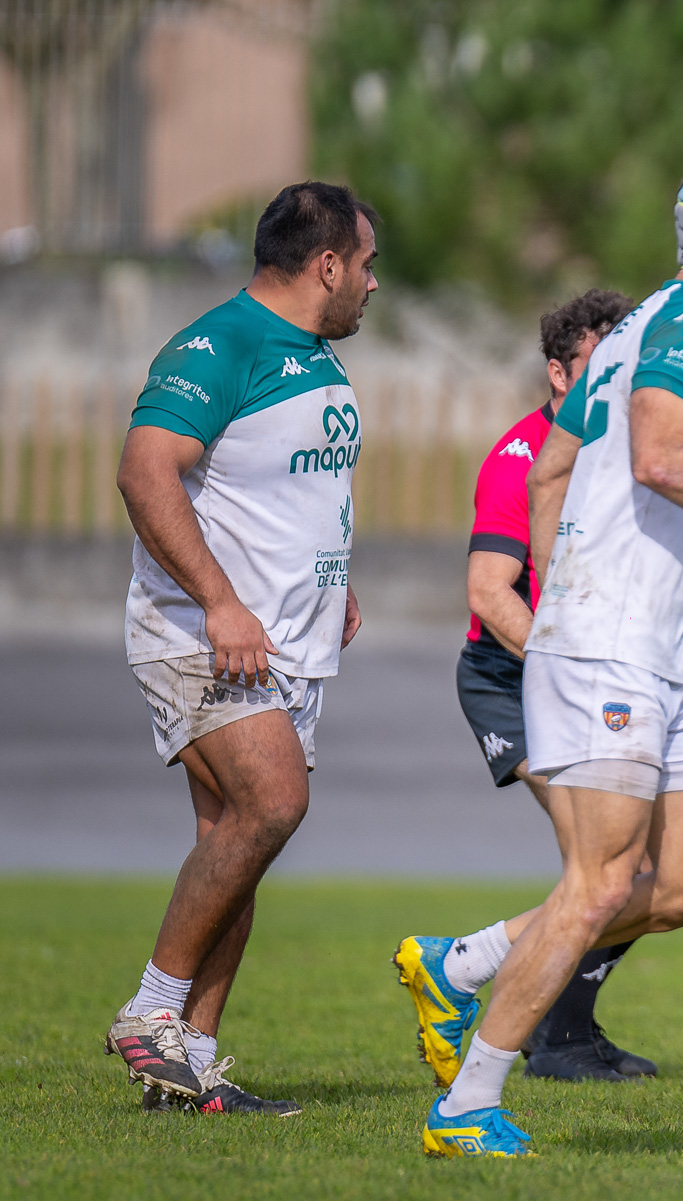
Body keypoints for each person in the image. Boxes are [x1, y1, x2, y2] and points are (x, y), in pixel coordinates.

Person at [420, 159, 683, 1158]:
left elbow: (558, 465)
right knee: (600, 884)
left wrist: (560, 575)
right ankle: (467, 1103)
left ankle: (466, 961)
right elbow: (662, 456)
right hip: (614, 650)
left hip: (656, 649)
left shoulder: (633, 327)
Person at [107, 181, 379, 1116]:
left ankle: (190, 1066)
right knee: (275, 801)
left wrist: (334, 581)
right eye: (368, 266)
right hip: (199, 634)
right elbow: (145, 472)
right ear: (327, 264)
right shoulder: (218, 344)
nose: (372, 286)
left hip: (283, 646)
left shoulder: (312, 357)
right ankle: (151, 1014)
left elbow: (286, 487)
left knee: (233, 844)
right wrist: (219, 601)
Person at [392, 289, 666, 1089]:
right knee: (610, 865)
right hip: (512, 679)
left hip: (593, 676)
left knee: (639, 870)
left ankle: (560, 1028)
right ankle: (529, 1022)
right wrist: (571, 666)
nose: (619, 384)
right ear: (557, 372)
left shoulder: (627, 453)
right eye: (599, 367)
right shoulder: (523, 456)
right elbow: (489, 592)